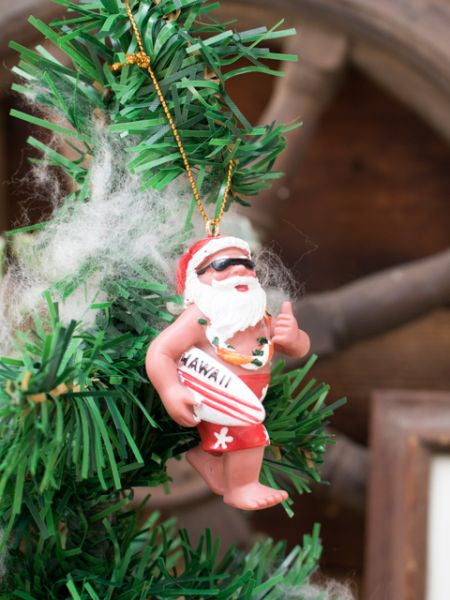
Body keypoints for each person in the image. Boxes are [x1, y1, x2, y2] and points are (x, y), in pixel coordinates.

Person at [146, 236, 310, 510]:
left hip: (249, 394)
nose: (240, 270)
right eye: (223, 265)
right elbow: (160, 352)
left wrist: (294, 339)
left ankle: (209, 460)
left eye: (247, 264)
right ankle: (242, 487)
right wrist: (170, 389)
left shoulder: (258, 316)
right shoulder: (200, 318)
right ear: (197, 279)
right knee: (249, 434)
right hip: (214, 391)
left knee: (234, 430)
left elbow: (299, 348)